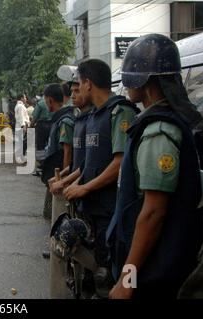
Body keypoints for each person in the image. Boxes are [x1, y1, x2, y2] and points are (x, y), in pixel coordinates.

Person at [106, 34, 203, 299]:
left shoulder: (158, 131)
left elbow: (153, 213)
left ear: (146, 80)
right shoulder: (156, 122)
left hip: (154, 271)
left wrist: (128, 280)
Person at [63, 59, 140, 298]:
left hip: (116, 209)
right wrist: (74, 183)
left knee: (121, 266)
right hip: (96, 208)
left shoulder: (120, 111)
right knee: (100, 267)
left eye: (79, 83)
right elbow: (89, 163)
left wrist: (84, 188)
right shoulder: (94, 116)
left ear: (88, 83)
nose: (77, 89)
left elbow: (119, 164)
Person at [39, 84, 75, 185]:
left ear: (50, 100)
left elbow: (67, 152)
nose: (46, 104)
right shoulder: (58, 119)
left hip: (60, 177)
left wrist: (63, 180)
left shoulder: (65, 121)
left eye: (46, 101)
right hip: (54, 174)